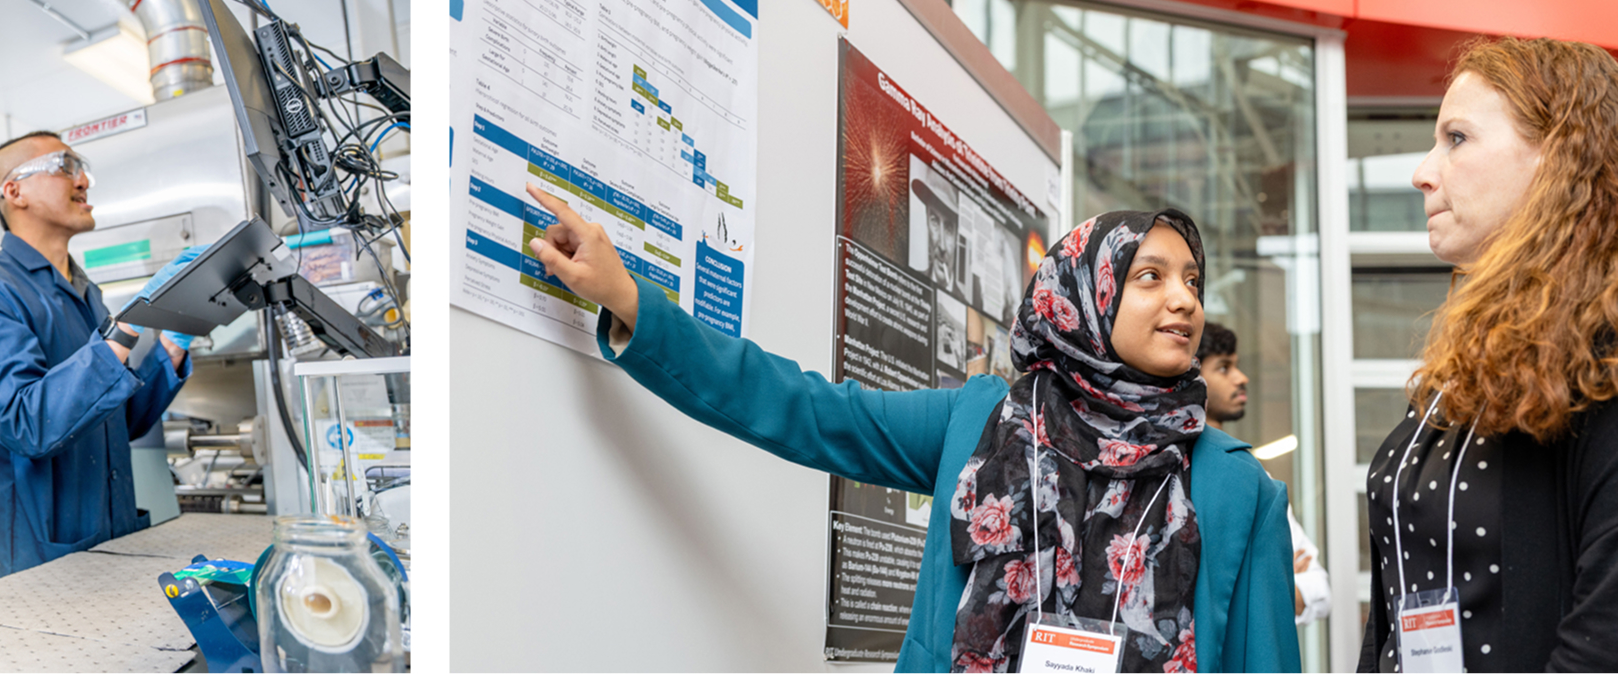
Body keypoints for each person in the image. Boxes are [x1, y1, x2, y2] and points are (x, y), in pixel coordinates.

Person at [526, 187, 1299, 672]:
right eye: (1150, 276)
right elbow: (804, 409)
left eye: (1193, 280)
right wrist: (633, 301)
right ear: (1083, 296)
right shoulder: (984, 421)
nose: (1185, 300)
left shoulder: (1236, 487)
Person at [1360, 37, 1618, 672]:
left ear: (1559, 155)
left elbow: (1605, 634)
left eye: (1457, 138)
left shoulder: (1603, 358)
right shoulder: (1474, 366)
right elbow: (1391, 614)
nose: (1423, 171)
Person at [0, 130, 196, 580]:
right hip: (37, 557)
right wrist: (123, 333)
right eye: (64, 167)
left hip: (111, 536)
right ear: (14, 191)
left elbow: (121, 420)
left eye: (81, 169)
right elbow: (26, 423)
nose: (83, 181)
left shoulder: (85, 293)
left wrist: (171, 347)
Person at [1199, 324, 1328, 625]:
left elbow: (1319, 589)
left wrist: (1253, 585)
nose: (1241, 377)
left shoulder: (1258, 479)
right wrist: (1275, 581)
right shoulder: (1177, 474)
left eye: (1236, 365)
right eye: (1223, 367)